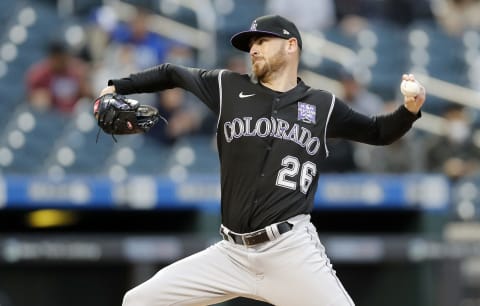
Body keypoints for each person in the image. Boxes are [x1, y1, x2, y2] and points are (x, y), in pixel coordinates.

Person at [97, 14, 425, 306]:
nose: (253, 49)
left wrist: (409, 110)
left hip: (290, 251)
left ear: (291, 45)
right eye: (251, 43)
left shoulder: (322, 105)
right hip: (231, 253)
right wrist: (118, 86)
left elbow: (379, 132)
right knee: (138, 300)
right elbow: (173, 73)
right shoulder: (228, 87)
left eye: (262, 41)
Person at [26, 40, 92, 113]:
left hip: (75, 112)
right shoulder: (40, 74)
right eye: (56, 58)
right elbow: (31, 95)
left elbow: (88, 94)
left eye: (61, 57)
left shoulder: (76, 70)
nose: (60, 61)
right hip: (52, 112)